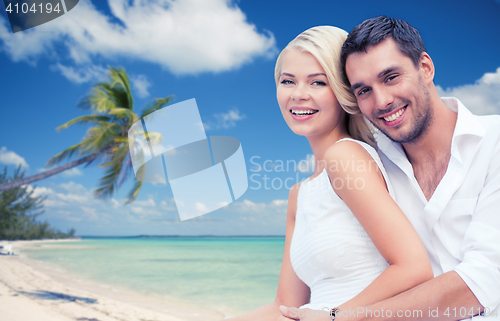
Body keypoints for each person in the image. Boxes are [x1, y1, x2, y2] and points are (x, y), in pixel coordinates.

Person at [226, 26, 434, 321]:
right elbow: (284, 306)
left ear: (342, 90)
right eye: (288, 81)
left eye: (317, 83)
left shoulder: (344, 157)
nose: (299, 94)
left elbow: (413, 268)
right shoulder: (298, 194)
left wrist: (335, 315)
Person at [322, 16, 500, 320]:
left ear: (426, 68)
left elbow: (484, 280)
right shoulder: (372, 167)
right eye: (363, 90)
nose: (382, 101)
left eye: (391, 77)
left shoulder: (494, 142)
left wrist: (343, 318)